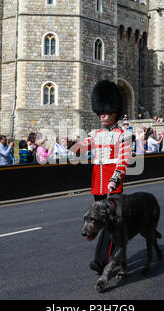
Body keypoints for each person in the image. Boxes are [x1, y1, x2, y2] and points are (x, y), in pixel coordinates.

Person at [70, 80, 132, 276]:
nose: (102, 114)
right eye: (100, 112)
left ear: (114, 112)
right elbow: (79, 149)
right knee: (102, 222)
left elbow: (124, 161)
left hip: (112, 184)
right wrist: (64, 143)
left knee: (110, 224)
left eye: (105, 111)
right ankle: (106, 258)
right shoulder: (95, 134)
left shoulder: (123, 134)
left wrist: (115, 179)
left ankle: (101, 260)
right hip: (98, 183)